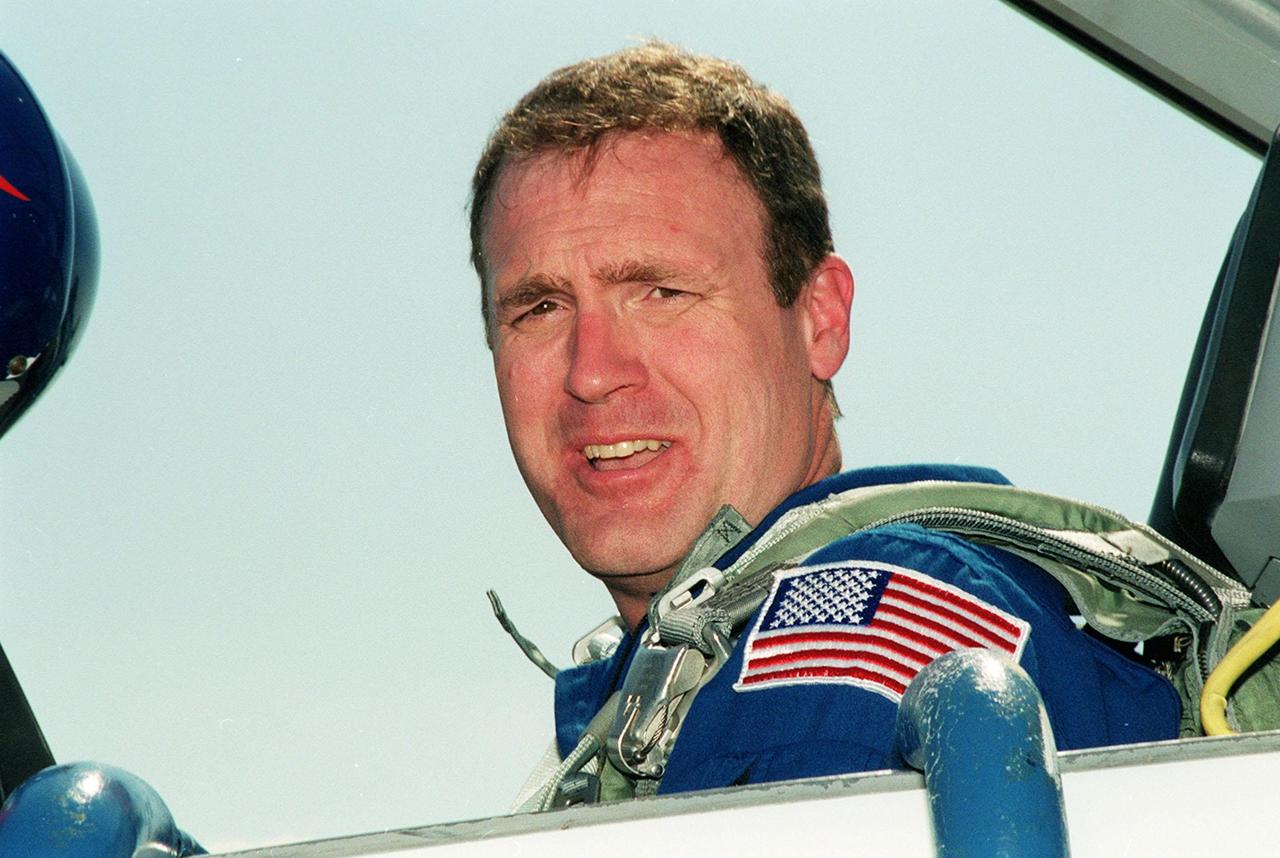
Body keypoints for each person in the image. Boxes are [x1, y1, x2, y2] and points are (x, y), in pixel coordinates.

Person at [469, 41, 1181, 806]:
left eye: (662, 291)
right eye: (538, 308)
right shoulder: (646, 702)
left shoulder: (854, 636)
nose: (592, 371)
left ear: (820, 318)